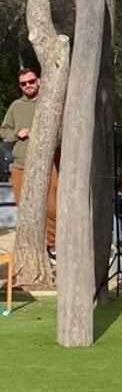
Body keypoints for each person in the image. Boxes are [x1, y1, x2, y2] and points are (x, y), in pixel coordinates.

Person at [1, 67, 57, 258]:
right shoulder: (16, 106)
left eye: (31, 81)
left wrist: (44, 135)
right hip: (20, 165)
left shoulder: (50, 103)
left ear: (39, 81)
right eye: (24, 83)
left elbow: (62, 132)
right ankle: (31, 250)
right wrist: (18, 133)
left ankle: (53, 247)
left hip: (48, 164)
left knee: (51, 207)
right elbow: (4, 131)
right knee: (24, 208)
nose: (28, 86)